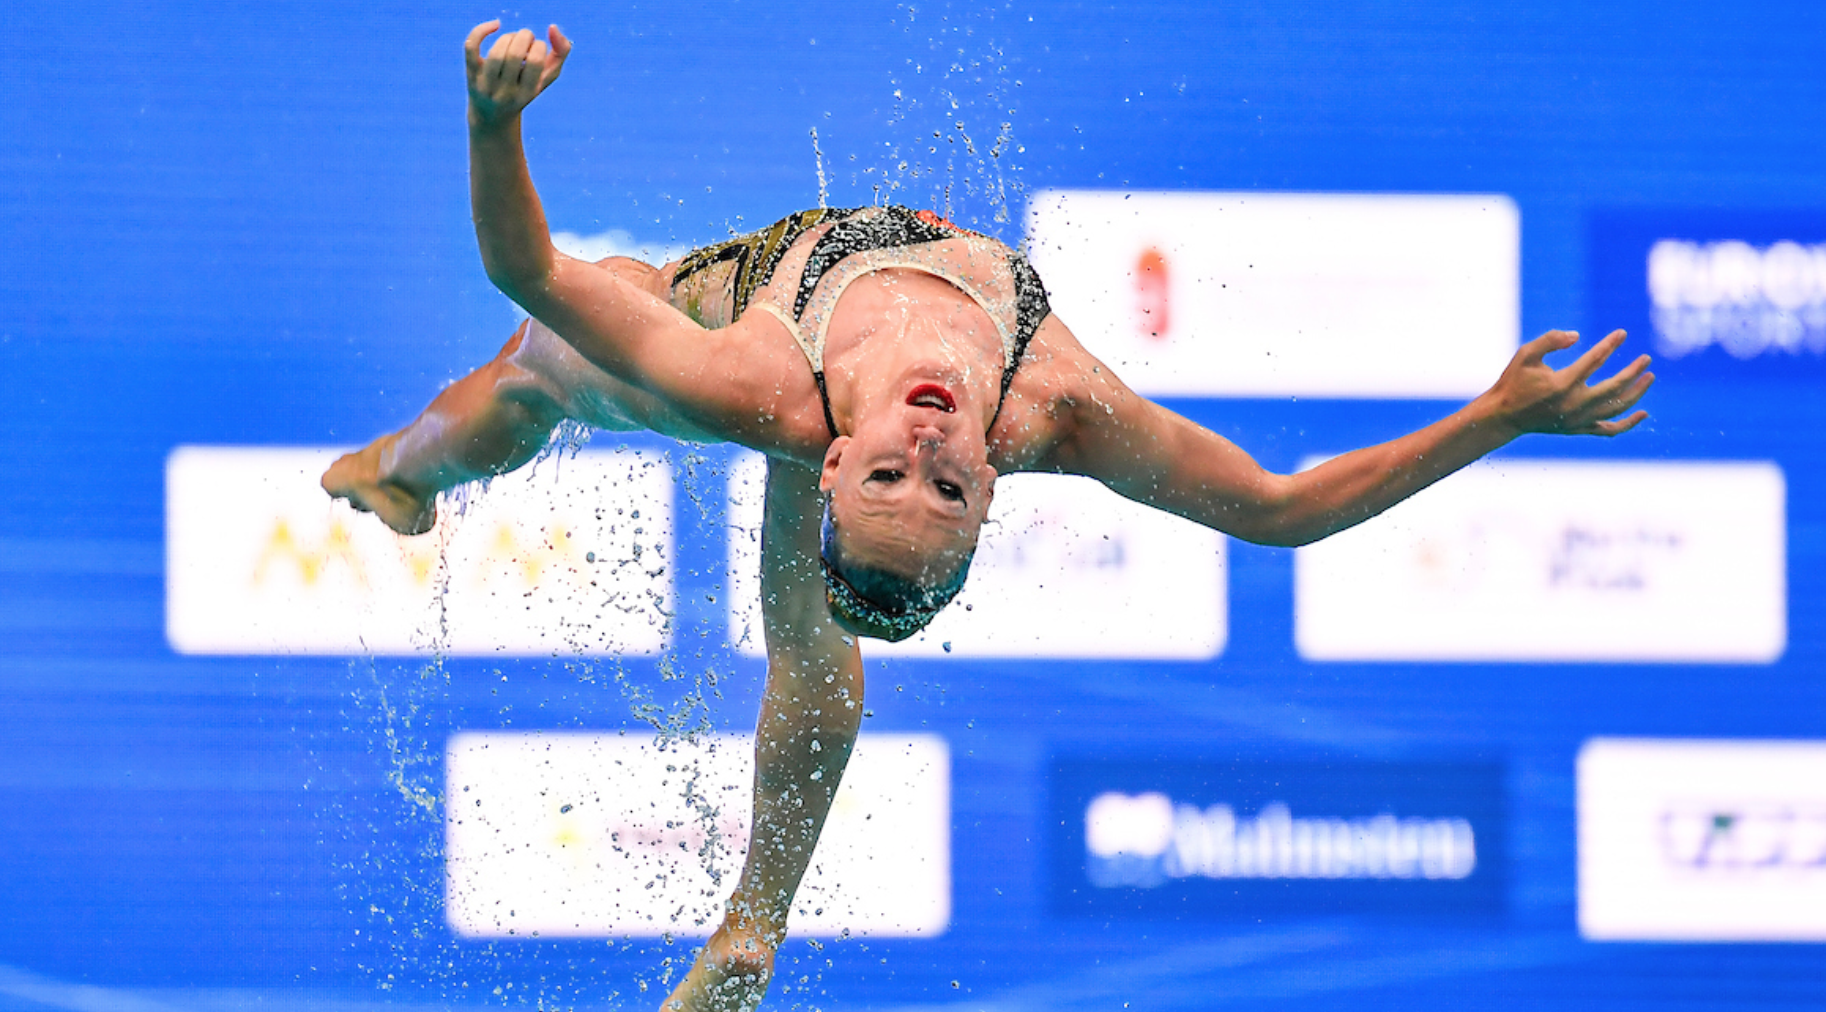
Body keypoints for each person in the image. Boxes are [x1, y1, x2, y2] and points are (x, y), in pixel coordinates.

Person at [324, 20, 1654, 1011]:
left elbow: (522, 261)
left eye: (900, 478)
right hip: (783, 348)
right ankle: (404, 474)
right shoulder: (1054, 408)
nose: (924, 449)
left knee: (566, 362)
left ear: (836, 468)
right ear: (994, 489)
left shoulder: (767, 394)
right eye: (942, 484)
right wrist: (1496, 415)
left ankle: (748, 922)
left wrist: (491, 120)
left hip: (765, 331)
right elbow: (1279, 510)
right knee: (558, 396)